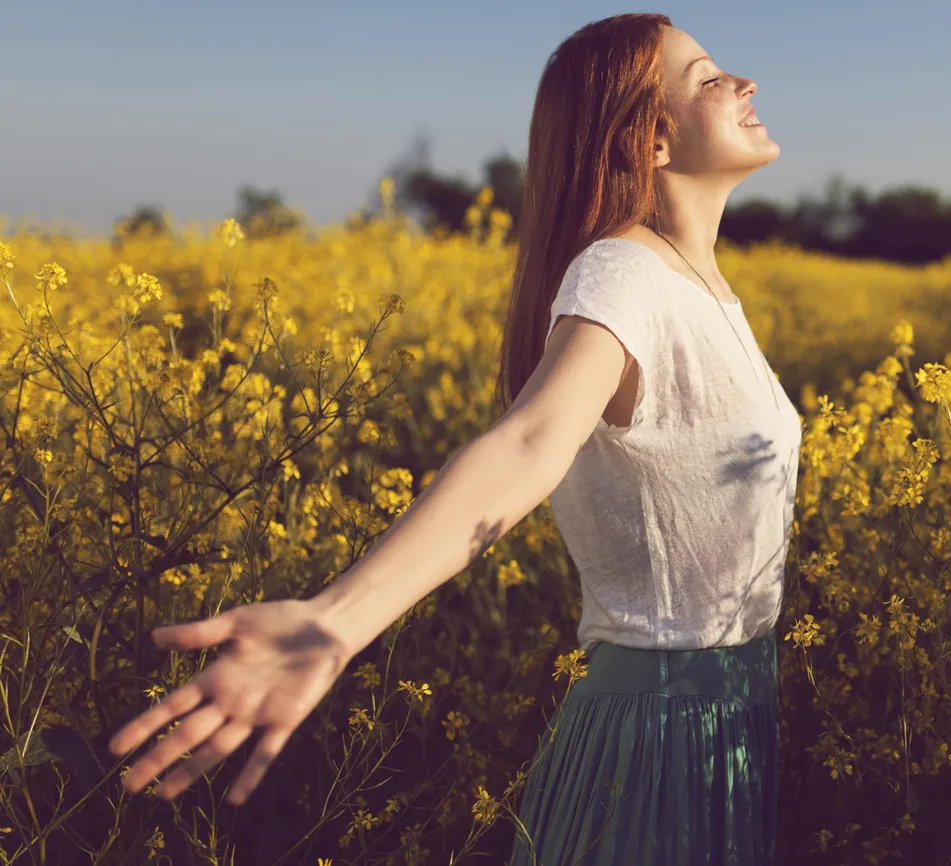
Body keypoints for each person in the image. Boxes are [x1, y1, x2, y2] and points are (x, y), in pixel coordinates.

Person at [107, 12, 797, 865]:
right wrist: (336, 621)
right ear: (650, 140)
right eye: (707, 78)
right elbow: (527, 445)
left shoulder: (703, 288)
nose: (744, 84)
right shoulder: (624, 272)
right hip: (653, 731)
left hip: (732, 715)